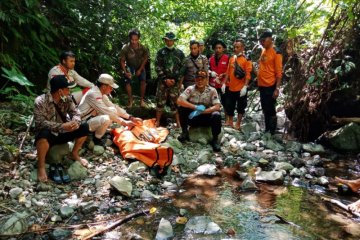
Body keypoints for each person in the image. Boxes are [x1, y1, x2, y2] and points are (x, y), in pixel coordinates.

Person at [34, 75, 90, 182]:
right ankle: (41, 166)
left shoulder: (67, 99)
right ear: (60, 91)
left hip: (63, 132)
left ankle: (74, 153)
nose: (69, 91)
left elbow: (76, 113)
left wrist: (75, 122)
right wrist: (61, 126)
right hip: (49, 135)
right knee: (43, 133)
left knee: (84, 126)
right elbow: (40, 123)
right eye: (67, 89)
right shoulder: (40, 101)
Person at [78, 73, 142, 144]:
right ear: (104, 86)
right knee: (106, 118)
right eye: (111, 87)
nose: (112, 90)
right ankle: (96, 139)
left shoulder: (101, 93)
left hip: (89, 118)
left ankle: (95, 134)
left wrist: (130, 117)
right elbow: (107, 112)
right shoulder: (94, 94)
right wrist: (124, 122)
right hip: (81, 123)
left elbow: (113, 106)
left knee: (113, 110)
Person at [177, 70, 222, 152]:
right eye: (198, 79)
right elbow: (179, 100)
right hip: (193, 117)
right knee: (182, 108)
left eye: (202, 79)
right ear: (195, 79)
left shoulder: (212, 90)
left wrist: (203, 111)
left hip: (206, 118)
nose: (200, 81)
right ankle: (184, 132)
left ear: (206, 80)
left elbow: (217, 106)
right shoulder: (190, 89)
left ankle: (215, 139)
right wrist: (195, 107)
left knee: (216, 114)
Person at [155, 32, 185, 127]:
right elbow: (157, 66)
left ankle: (178, 123)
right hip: (163, 82)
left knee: (175, 103)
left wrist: (175, 80)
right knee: (160, 102)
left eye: (171, 40)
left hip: (174, 83)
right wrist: (165, 79)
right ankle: (158, 122)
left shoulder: (179, 53)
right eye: (167, 40)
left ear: (174, 41)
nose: (169, 42)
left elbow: (183, 68)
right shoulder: (160, 52)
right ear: (165, 40)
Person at [257, 31, 283, 134]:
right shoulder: (264, 50)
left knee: (270, 108)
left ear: (270, 39)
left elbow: (279, 72)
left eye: (264, 40)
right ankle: (267, 129)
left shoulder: (276, 52)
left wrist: (277, 89)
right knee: (264, 107)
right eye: (261, 41)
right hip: (262, 85)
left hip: (270, 85)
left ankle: (272, 132)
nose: (262, 43)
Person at [225, 39, 252, 129]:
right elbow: (228, 71)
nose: (235, 49)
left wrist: (245, 86)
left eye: (237, 47)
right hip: (231, 87)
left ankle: (238, 123)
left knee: (241, 106)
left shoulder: (246, 59)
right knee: (230, 105)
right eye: (234, 47)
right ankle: (230, 122)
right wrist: (224, 83)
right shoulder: (232, 58)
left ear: (242, 48)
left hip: (241, 88)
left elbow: (248, 73)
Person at [119, 28, 149, 107]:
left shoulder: (143, 47)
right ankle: (130, 100)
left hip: (140, 66)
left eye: (136, 40)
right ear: (129, 39)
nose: (134, 42)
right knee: (127, 82)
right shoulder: (125, 48)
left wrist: (140, 69)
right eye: (132, 40)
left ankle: (142, 100)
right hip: (130, 66)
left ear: (138, 39)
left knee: (143, 82)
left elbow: (146, 58)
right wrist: (125, 72)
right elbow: (122, 61)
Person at [208, 40, 229, 124]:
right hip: (213, 84)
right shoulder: (211, 59)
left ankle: (227, 119)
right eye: (216, 48)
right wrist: (210, 72)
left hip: (223, 84)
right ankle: (214, 118)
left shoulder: (227, 58)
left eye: (220, 48)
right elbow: (207, 69)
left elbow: (230, 71)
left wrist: (223, 76)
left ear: (223, 49)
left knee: (225, 102)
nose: (218, 49)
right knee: (213, 102)